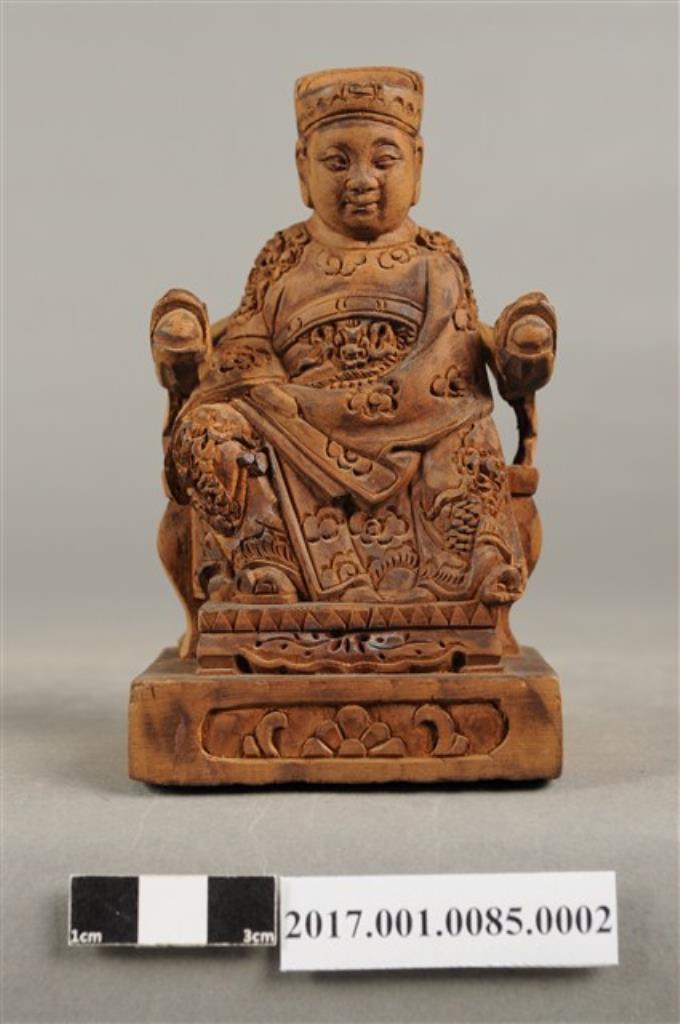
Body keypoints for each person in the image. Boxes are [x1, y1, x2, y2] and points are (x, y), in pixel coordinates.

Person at [151, 67, 556, 617]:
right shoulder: (283, 259)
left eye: (384, 161)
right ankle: (266, 564)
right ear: (303, 169)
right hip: (296, 417)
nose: (362, 180)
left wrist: (521, 343)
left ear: (417, 166)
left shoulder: (435, 260)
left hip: (419, 412)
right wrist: (198, 346)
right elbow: (245, 342)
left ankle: (477, 562)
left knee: (468, 431)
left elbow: (460, 351)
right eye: (337, 162)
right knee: (209, 430)